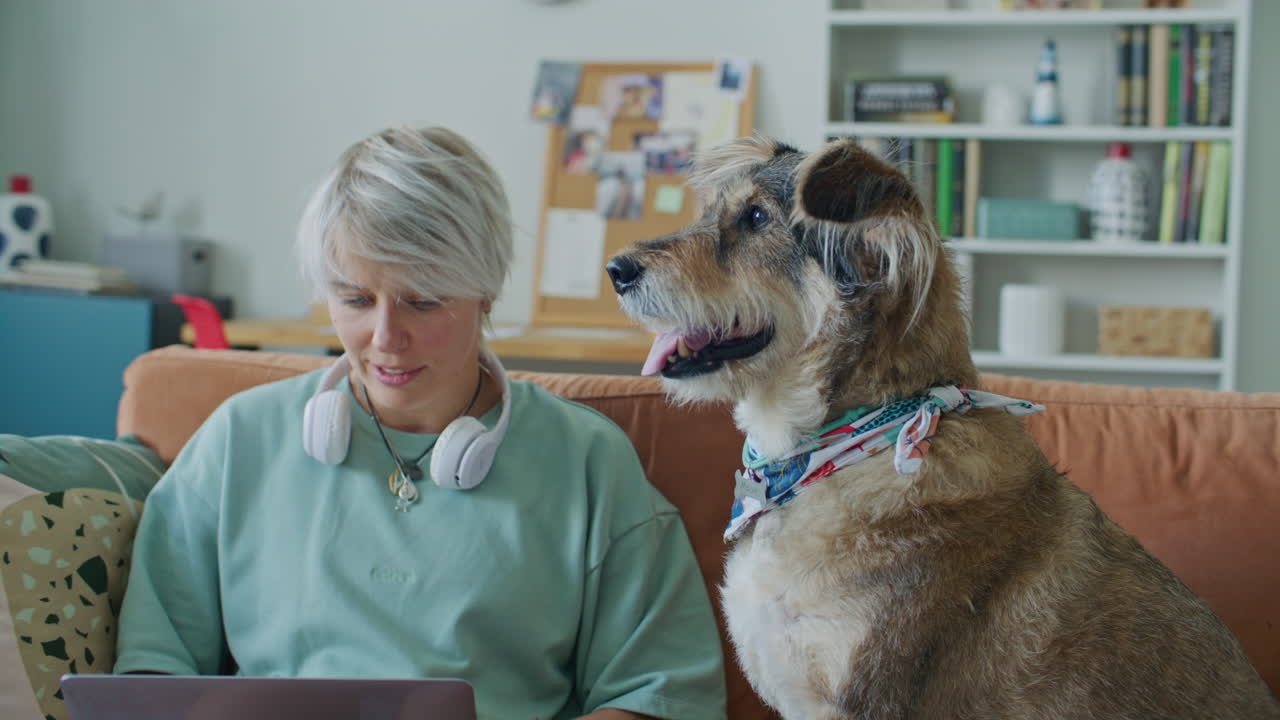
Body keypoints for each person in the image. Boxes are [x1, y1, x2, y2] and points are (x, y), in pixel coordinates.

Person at [114, 126, 728, 720]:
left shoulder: (588, 462)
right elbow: (149, 674)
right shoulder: (238, 441)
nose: (385, 339)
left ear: (486, 292)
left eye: (424, 300)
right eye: (355, 300)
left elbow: (660, 696)